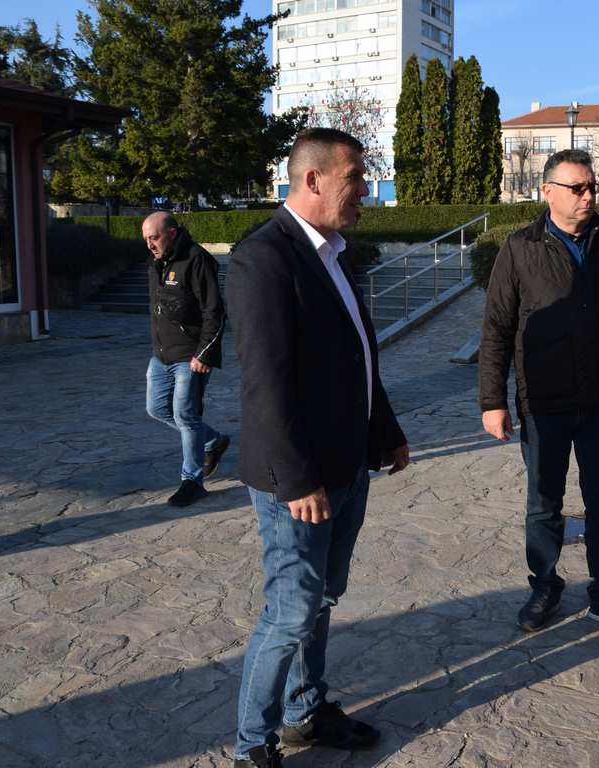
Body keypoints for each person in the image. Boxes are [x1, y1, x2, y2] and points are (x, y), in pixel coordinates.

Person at [225, 128, 410, 768]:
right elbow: (266, 383)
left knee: (321, 600)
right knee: (289, 612)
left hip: (345, 464)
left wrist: (385, 432)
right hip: (299, 481)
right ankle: (254, 744)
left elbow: (358, 357)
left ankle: (306, 711)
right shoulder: (263, 259)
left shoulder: (333, 253)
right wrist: (298, 480)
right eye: (355, 178)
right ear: (313, 179)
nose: (366, 192)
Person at [479, 148, 599, 642]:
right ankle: (545, 585)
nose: (588, 196)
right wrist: (492, 401)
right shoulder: (521, 248)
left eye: (592, 187)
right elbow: (497, 327)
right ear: (548, 192)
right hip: (543, 402)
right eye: (577, 188)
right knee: (543, 503)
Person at [142, 211, 229, 507]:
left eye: (154, 238)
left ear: (172, 233)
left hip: (190, 356)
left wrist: (204, 353)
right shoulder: (156, 262)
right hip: (161, 355)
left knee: (185, 415)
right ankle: (213, 441)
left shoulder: (197, 259)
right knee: (156, 409)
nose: (150, 245)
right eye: (146, 239)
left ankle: (191, 481)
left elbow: (214, 310)